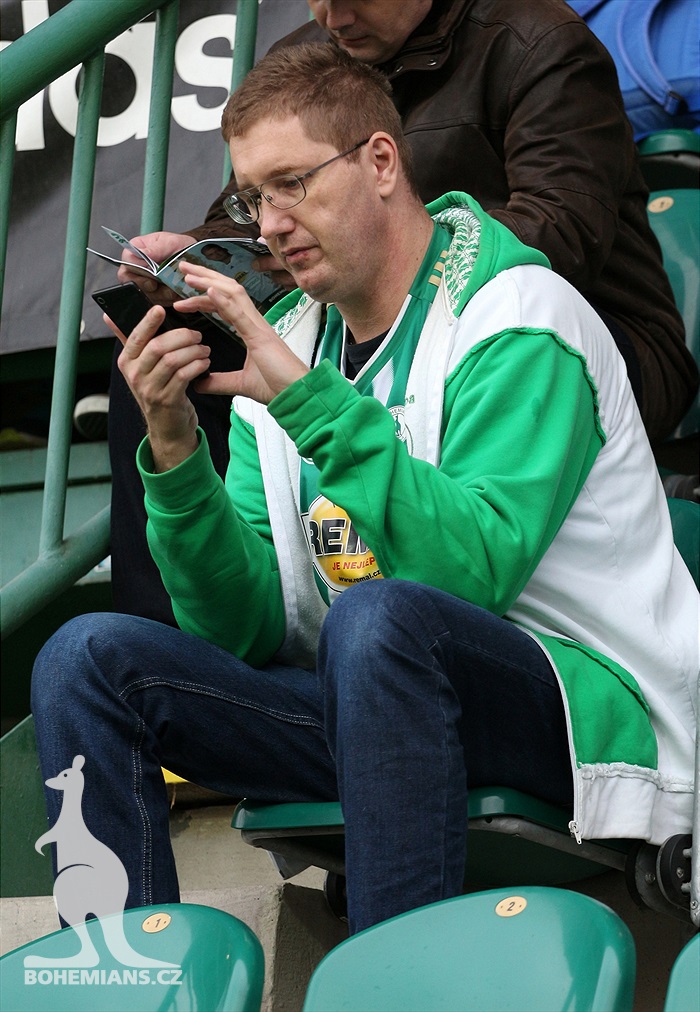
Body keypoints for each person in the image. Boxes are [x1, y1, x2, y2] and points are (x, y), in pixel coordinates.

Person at [32, 43, 697, 937]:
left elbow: (471, 575)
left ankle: (397, 981)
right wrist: (178, 448)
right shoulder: (288, 345)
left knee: (382, 617)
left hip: (575, 711)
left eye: (292, 184)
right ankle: (125, 985)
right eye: (251, 198)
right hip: (374, 701)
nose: (268, 224)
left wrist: (313, 408)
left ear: (381, 162)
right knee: (86, 658)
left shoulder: (519, 315)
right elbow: (245, 630)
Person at [109, 0, 698, 625]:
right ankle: (176, 653)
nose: (331, 14)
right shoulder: (302, 58)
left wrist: (386, 263)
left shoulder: (538, 40)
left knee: (378, 617)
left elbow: (563, 228)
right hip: (366, 322)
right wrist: (203, 255)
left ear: (383, 160)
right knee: (166, 361)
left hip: (575, 338)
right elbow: (247, 212)